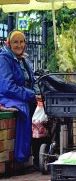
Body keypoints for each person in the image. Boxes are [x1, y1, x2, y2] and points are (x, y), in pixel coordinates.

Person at [0, 30, 41, 167]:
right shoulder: (4, 58)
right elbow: (7, 87)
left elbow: (32, 80)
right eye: (15, 42)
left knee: (43, 110)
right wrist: (30, 95)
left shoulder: (23, 59)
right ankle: (21, 157)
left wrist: (38, 92)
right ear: (9, 44)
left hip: (23, 95)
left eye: (21, 41)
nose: (19, 45)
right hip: (7, 96)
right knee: (25, 109)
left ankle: (38, 155)